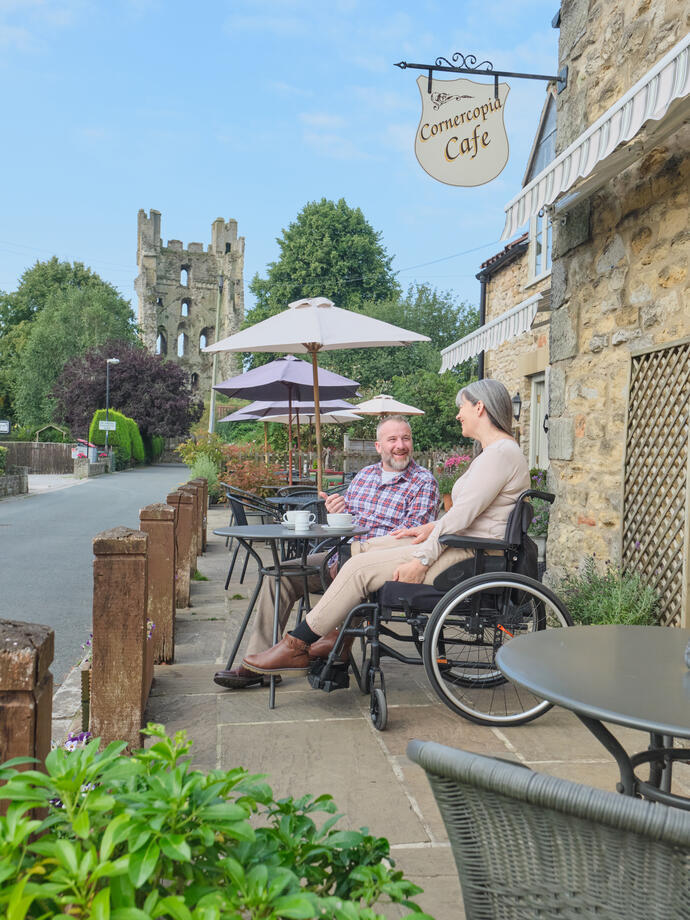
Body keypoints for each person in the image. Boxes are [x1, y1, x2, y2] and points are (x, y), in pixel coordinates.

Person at [241, 379, 530, 678]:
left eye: (462, 408)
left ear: (478, 407)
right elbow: (466, 513)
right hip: (458, 541)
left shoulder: (500, 455)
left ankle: (296, 643)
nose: (459, 415)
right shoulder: (496, 453)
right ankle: (327, 643)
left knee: (358, 566)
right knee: (355, 551)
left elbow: (462, 516)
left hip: (469, 553)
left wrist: (422, 559)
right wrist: (429, 528)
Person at [213, 415, 439, 688]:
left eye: (406, 438)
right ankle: (258, 661)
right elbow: (349, 523)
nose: (400, 445)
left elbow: (408, 539)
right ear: (378, 446)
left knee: (349, 571)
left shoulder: (423, 482)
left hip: (379, 567)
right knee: (280, 575)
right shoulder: (365, 476)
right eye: (392, 439)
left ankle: (323, 643)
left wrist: (350, 555)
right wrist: (339, 512)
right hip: (340, 554)